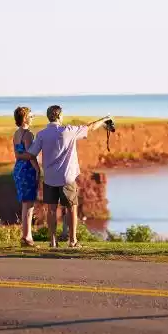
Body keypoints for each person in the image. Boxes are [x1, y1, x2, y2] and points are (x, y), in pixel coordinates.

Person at [22, 105, 110, 248]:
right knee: (71, 208)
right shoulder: (69, 130)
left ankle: (53, 241)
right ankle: (72, 241)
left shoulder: (42, 134)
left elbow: (31, 154)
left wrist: (22, 157)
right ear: (59, 116)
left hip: (49, 178)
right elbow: (91, 127)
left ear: (49, 117)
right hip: (66, 178)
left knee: (51, 210)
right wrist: (104, 119)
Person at [12, 106, 41, 247]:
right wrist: (38, 169)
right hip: (27, 169)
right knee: (29, 204)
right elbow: (31, 155)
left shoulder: (16, 134)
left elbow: (17, 155)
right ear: (24, 118)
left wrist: (23, 156)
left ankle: (26, 235)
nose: (32, 117)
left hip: (18, 168)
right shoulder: (28, 134)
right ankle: (27, 236)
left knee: (25, 202)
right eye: (30, 115)